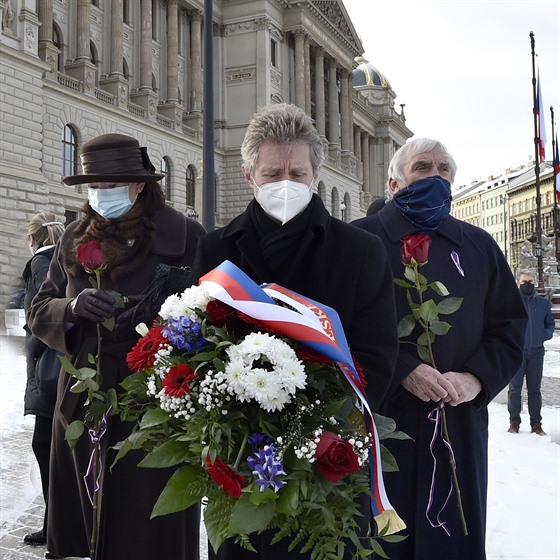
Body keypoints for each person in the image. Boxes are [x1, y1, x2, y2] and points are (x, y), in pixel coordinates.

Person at [189, 102, 399, 560]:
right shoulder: (216, 248)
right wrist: (235, 426)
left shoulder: (361, 251)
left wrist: (320, 431)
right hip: (242, 458)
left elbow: (378, 352)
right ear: (249, 176)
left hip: (327, 461)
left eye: (297, 174)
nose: (285, 184)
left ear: (315, 176)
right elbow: (199, 348)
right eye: (272, 173)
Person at [28, 134, 205, 560]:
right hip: (82, 400)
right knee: (84, 519)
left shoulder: (187, 236)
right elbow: (40, 309)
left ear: (139, 184)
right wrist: (71, 307)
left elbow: (213, 314)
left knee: (146, 524)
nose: (100, 195)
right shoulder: (74, 235)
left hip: (157, 403)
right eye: (94, 187)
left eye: (111, 185)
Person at [352, 137, 527, 560]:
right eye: (422, 167)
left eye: (443, 169)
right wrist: (402, 370)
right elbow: (341, 327)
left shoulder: (479, 245)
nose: (435, 176)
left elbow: (509, 327)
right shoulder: (359, 240)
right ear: (395, 183)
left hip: (458, 426)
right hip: (381, 426)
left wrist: (476, 379)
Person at [22, 212, 65, 547]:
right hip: (63, 369)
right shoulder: (62, 258)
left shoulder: (39, 265)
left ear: (32, 239)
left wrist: (34, 349)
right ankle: (60, 525)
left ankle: (58, 529)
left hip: (48, 373)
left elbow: (42, 318)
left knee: (48, 448)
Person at [507, 270, 555, 435]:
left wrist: (544, 335)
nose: (527, 285)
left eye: (530, 282)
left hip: (536, 353)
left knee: (535, 390)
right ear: (518, 282)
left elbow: (550, 324)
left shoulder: (542, 304)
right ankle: (514, 423)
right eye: (524, 281)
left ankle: (536, 424)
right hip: (516, 352)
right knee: (515, 389)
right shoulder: (511, 303)